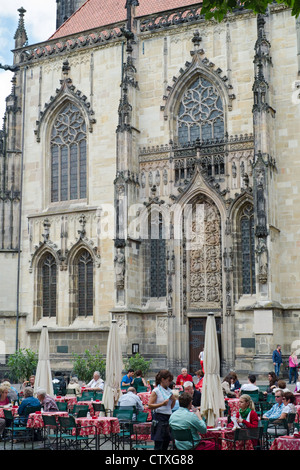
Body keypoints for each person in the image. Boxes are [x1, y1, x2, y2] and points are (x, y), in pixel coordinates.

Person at [148, 369, 176, 450]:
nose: (170, 382)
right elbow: (149, 405)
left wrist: (173, 400)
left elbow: (170, 407)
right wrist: (162, 404)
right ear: (162, 380)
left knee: (166, 444)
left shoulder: (169, 391)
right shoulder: (156, 391)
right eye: (168, 380)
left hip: (168, 418)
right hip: (159, 418)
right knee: (159, 445)